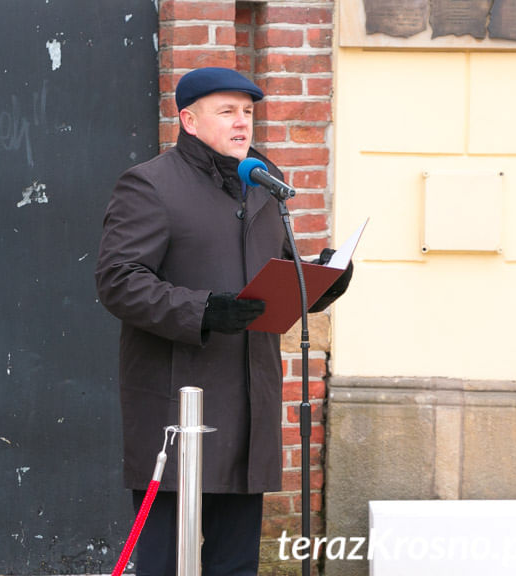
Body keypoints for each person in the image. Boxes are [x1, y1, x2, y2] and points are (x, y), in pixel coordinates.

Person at [95, 67, 350, 576]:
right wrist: (205, 309)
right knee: (167, 562)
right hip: (178, 408)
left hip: (249, 406)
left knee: (235, 565)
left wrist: (317, 285)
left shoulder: (261, 182)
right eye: (227, 111)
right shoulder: (150, 184)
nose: (242, 123)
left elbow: (271, 284)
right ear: (189, 120)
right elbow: (118, 281)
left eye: (248, 112)